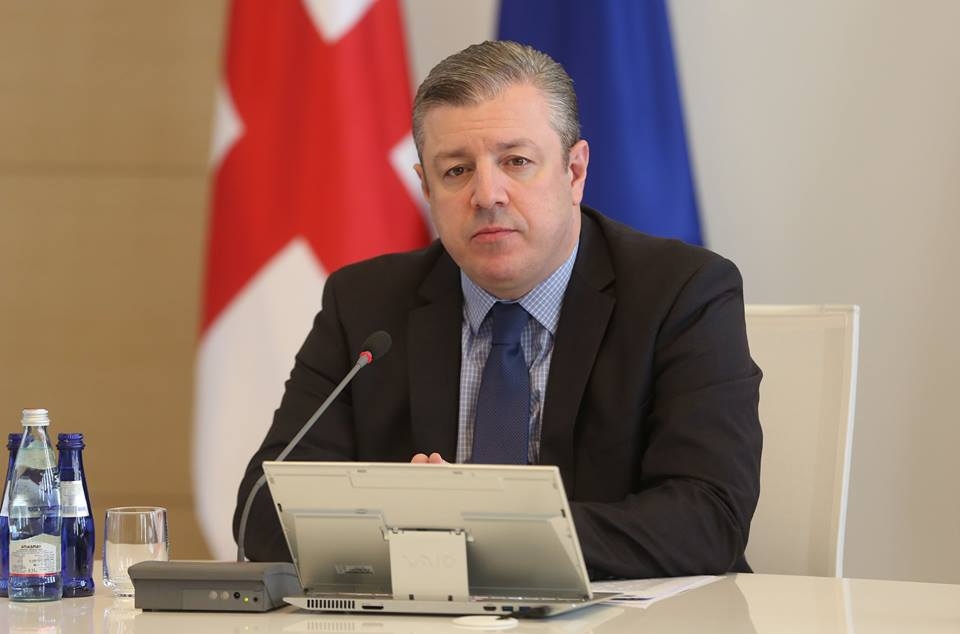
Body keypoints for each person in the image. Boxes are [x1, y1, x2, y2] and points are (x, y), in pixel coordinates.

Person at [233, 40, 762, 579]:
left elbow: (709, 517)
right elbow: (263, 510)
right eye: (456, 171)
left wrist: (469, 529)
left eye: (516, 162)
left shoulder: (681, 293)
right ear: (426, 188)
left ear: (574, 172)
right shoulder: (365, 305)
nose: (487, 195)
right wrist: (412, 525)